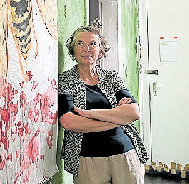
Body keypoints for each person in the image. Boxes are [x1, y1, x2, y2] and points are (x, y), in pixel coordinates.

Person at [58, 19, 148, 184]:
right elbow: (69, 122)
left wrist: (88, 114)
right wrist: (116, 118)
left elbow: (133, 113)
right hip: (88, 160)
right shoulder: (65, 80)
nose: (86, 49)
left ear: (100, 51)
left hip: (125, 155)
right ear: (73, 50)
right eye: (80, 43)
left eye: (93, 44)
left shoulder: (112, 78)